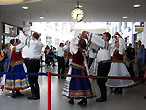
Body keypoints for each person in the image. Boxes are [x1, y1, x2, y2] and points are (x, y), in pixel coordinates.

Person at [62, 31, 94, 105]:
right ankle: (84, 98)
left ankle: (72, 98)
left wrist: (78, 36)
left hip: (75, 69)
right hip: (82, 69)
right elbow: (85, 62)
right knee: (83, 83)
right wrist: (88, 72)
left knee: (73, 82)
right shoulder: (84, 51)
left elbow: (72, 42)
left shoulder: (75, 48)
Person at [89, 32, 111, 102]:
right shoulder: (102, 46)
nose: (102, 38)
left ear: (107, 38)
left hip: (105, 64)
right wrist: (87, 38)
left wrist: (89, 33)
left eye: (103, 36)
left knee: (101, 81)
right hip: (102, 64)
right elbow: (93, 45)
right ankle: (103, 96)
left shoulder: (106, 44)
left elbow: (97, 39)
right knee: (100, 81)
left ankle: (103, 97)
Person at [24, 32, 42, 100]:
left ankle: (34, 95)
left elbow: (27, 41)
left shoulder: (32, 42)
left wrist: (26, 35)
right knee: (35, 79)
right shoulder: (40, 43)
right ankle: (37, 94)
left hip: (31, 62)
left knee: (31, 79)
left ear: (33, 37)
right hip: (37, 62)